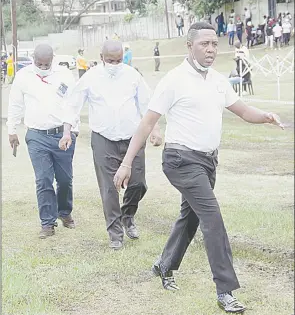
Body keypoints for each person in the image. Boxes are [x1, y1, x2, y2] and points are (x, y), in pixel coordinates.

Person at [113, 22, 284, 314]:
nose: (211, 49)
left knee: (190, 216)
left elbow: (242, 110)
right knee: (212, 218)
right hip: (180, 160)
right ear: (189, 46)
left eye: (214, 44)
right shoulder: (173, 80)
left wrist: (265, 116)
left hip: (207, 161)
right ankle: (225, 291)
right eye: (204, 44)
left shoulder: (217, 80)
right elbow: (147, 123)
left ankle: (164, 266)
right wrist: (127, 162)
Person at [58, 40, 162, 250]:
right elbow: (73, 104)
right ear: (101, 57)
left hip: (132, 138)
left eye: (118, 60)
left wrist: (155, 130)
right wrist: (67, 131)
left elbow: (147, 104)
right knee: (109, 189)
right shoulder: (91, 77)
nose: (114, 64)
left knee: (138, 184)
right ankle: (115, 234)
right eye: (110, 60)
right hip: (103, 139)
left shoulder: (133, 75)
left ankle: (128, 215)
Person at [6, 44, 78, 239]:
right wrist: (11, 129)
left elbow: (73, 105)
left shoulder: (64, 75)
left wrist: (68, 132)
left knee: (65, 180)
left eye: (47, 64)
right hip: (36, 135)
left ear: (53, 59)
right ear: (33, 59)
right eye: (39, 64)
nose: (43, 68)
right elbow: (15, 104)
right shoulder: (23, 76)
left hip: (62, 134)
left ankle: (64, 212)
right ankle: (47, 223)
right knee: (43, 179)